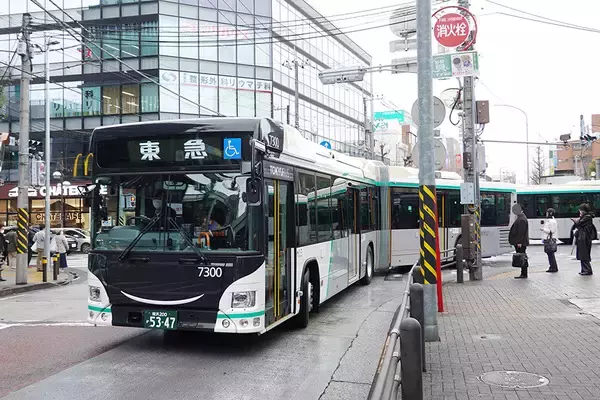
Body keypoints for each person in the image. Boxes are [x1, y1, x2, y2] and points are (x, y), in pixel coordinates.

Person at [573, 203, 595, 276]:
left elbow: (579, 223)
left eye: (580, 210)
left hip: (584, 238)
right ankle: (584, 269)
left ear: (583, 211)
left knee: (584, 254)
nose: (579, 212)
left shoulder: (587, 217)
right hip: (583, 238)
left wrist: (576, 220)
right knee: (582, 254)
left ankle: (587, 270)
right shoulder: (586, 217)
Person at [509, 204, 529, 279]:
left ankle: (524, 273)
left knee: (522, 257)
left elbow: (521, 232)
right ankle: (523, 273)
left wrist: (519, 242)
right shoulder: (521, 218)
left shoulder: (521, 219)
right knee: (522, 257)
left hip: (521, 242)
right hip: (521, 242)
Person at [541, 208, 559, 273]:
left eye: (547, 213)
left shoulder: (551, 221)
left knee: (550, 254)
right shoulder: (550, 221)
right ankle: (552, 267)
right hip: (549, 239)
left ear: (550, 213)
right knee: (550, 254)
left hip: (549, 240)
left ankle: (553, 267)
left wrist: (543, 229)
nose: (546, 214)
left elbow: (552, 231)